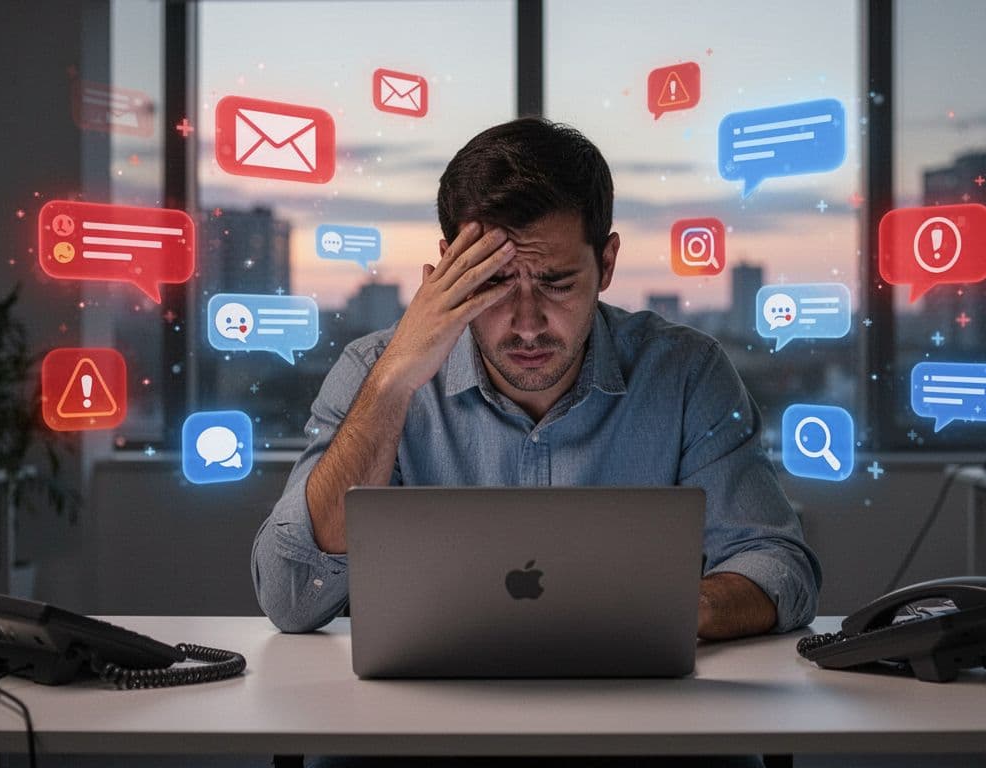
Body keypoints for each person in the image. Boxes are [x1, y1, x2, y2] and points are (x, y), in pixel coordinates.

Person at [252, 117, 821, 643]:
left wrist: (675, 608)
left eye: (556, 283)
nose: (526, 325)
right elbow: (292, 598)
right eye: (493, 284)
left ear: (608, 262)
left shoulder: (686, 373)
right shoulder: (371, 370)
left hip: (638, 724)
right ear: (448, 264)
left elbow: (777, 564)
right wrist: (393, 384)